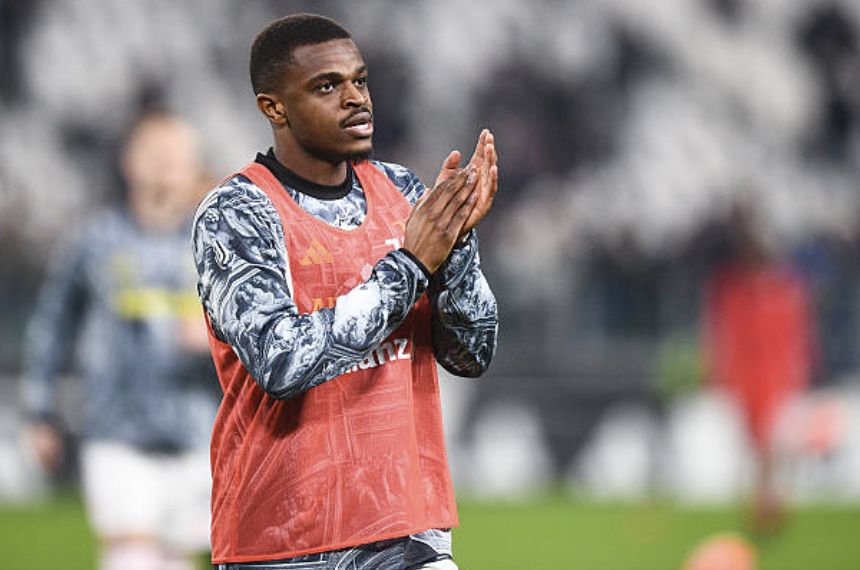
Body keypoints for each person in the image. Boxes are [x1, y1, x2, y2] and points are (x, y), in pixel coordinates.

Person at [191, 13, 498, 570]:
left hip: (409, 529)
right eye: (327, 86)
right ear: (274, 108)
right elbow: (281, 362)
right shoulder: (236, 213)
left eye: (360, 81)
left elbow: (471, 354)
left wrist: (456, 248)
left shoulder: (403, 191)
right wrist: (411, 264)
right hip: (283, 541)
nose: (356, 99)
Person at [22, 111, 219, 570]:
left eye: (177, 155)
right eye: (155, 153)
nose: (166, 165)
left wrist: (216, 336)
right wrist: (40, 410)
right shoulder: (95, 241)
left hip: (199, 432)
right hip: (116, 432)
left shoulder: (218, 246)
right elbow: (53, 324)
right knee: (133, 555)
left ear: (194, 165)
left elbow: (265, 337)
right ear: (129, 161)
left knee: (177, 556)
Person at [703, 200, 815, 534]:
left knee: (772, 446)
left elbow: (796, 337)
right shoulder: (736, 292)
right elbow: (723, 336)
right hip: (748, 380)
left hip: (775, 380)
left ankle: (769, 505)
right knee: (756, 446)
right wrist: (720, 373)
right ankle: (764, 505)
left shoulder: (783, 292)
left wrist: (799, 371)